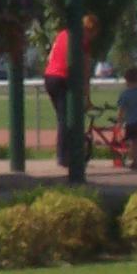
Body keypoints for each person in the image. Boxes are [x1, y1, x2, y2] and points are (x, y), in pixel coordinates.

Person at [44, 14, 99, 169]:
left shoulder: (62, 34)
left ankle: (66, 152)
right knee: (67, 118)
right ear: (89, 30)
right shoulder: (82, 41)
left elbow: (50, 57)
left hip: (50, 77)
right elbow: (86, 71)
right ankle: (64, 156)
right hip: (63, 78)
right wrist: (86, 97)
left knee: (63, 117)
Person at [116, 67, 137, 141]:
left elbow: (121, 111)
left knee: (131, 145)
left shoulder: (125, 94)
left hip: (131, 124)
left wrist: (119, 123)